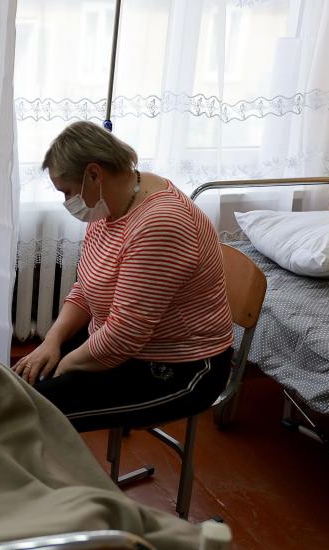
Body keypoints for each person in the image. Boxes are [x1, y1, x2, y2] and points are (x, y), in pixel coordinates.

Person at [12, 121, 233, 431]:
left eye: (67, 192)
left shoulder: (160, 224)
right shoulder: (109, 205)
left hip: (180, 366)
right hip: (123, 343)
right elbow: (86, 288)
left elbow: (124, 336)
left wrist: (67, 366)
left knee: (30, 417)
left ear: (93, 174)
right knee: (20, 388)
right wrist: (52, 341)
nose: (67, 203)